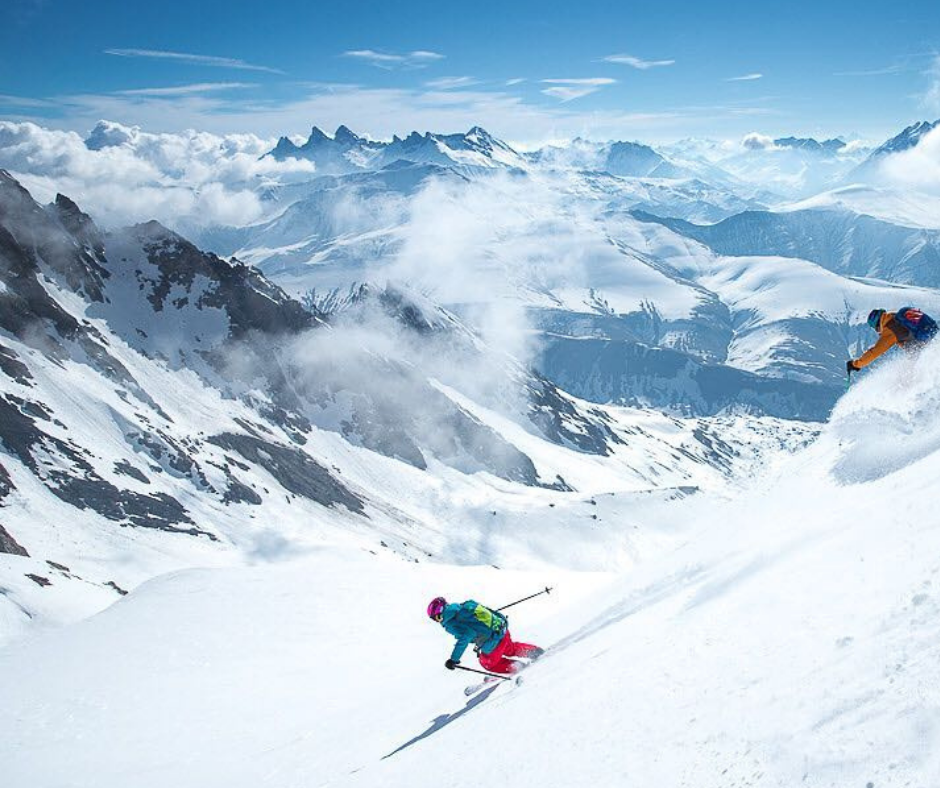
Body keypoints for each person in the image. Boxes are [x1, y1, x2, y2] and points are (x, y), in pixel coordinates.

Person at [427, 596, 543, 675]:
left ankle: (517, 667)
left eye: (437, 617)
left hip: (493, 643)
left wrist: (454, 659)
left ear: (441, 612)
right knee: (510, 648)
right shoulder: (463, 606)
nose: (438, 621)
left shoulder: (450, 623)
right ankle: (535, 651)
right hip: (501, 630)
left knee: (487, 663)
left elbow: (466, 636)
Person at [847, 306, 939, 374]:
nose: (879, 332)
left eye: (877, 329)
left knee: (908, 373)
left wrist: (856, 364)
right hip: (933, 335)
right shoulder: (896, 316)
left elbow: (875, 352)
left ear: (877, 325)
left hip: (923, 346)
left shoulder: (890, 330)